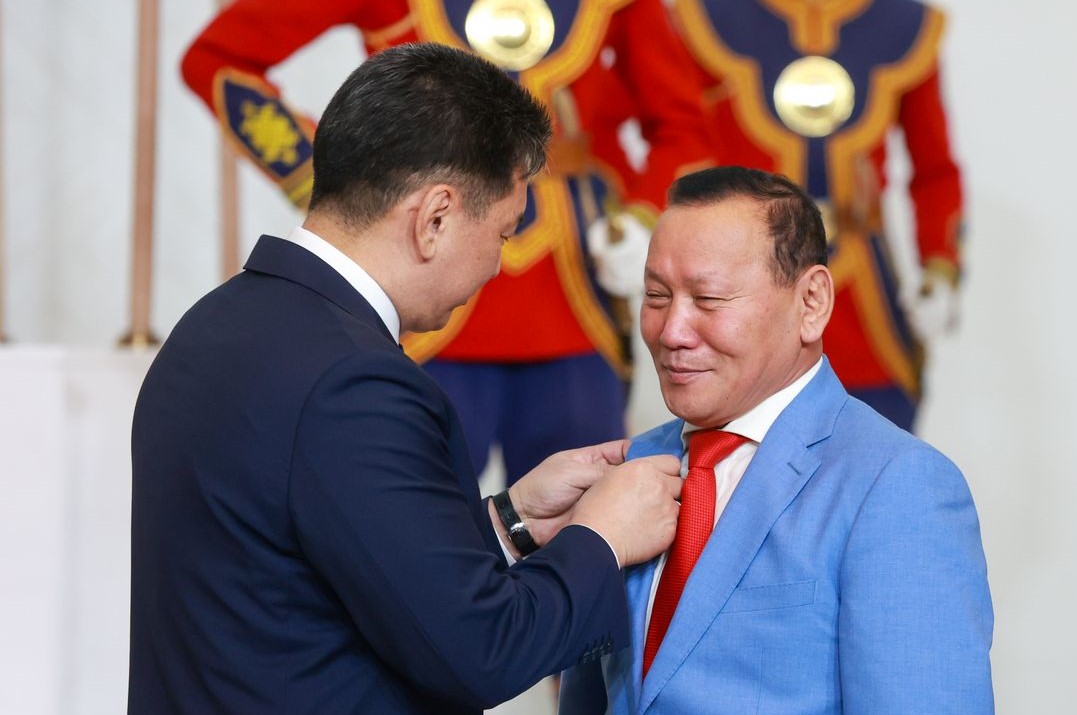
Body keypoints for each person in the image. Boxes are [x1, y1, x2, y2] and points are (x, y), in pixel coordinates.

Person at [129, 43, 686, 715]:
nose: (496, 266)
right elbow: (482, 653)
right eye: (503, 233)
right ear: (434, 218)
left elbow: (316, 566)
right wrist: (602, 537)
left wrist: (509, 521)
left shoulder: (217, 322)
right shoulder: (357, 383)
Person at [180, 0, 714, 487]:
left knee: (587, 515)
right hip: (419, 297)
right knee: (398, 512)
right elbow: (219, 59)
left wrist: (642, 215)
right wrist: (330, 181)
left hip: (571, 293)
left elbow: (682, 125)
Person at [558, 166, 993, 714]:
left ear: (811, 302)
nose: (671, 332)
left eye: (708, 299)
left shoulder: (898, 487)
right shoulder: (636, 464)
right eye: (656, 295)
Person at [667, 0, 965, 431]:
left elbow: (935, 171)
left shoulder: (903, 24)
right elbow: (680, 145)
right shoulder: (706, 16)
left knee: (880, 453)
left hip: (865, 305)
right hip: (743, 290)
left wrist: (939, 267)